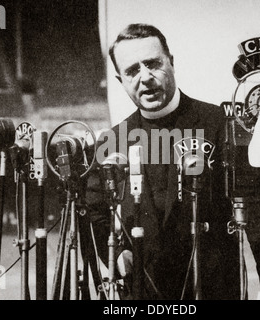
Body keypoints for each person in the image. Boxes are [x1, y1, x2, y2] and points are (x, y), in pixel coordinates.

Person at [84, 23, 242, 300]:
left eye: (153, 64)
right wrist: (118, 255)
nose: (145, 77)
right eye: (132, 70)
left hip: (211, 287)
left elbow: (250, 207)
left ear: (172, 63)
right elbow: (96, 212)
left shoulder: (217, 123)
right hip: (142, 290)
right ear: (121, 80)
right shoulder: (112, 140)